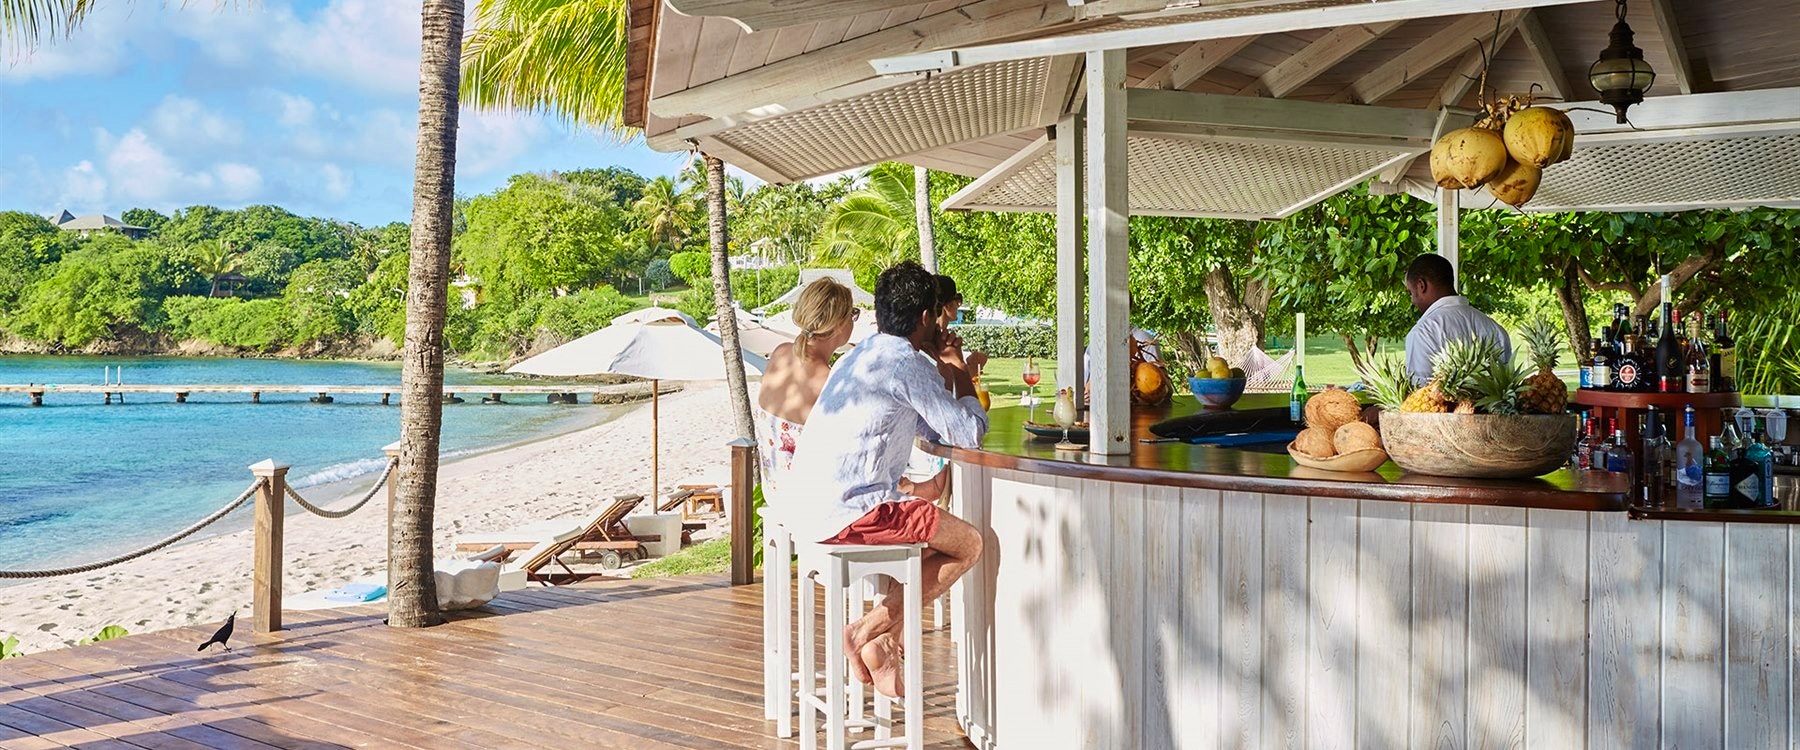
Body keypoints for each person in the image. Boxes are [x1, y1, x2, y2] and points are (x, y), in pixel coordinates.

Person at [786, 261, 988, 699]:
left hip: (811, 507)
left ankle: (884, 642)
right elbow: (970, 434)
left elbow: (929, 430)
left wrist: (942, 370)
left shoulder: (862, 355)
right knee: (968, 543)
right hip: (854, 509)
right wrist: (958, 369)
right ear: (925, 318)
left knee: (930, 542)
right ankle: (867, 632)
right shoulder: (905, 362)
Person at [754, 278, 859, 495]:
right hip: (806, 500)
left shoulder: (780, 354)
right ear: (840, 324)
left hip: (774, 491)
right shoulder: (829, 381)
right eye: (853, 314)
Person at [1403, 253, 1512, 383]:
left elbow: (1421, 392)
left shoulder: (1423, 333)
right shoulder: (1495, 329)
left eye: (1411, 293)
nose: (1412, 301)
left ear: (1421, 285)